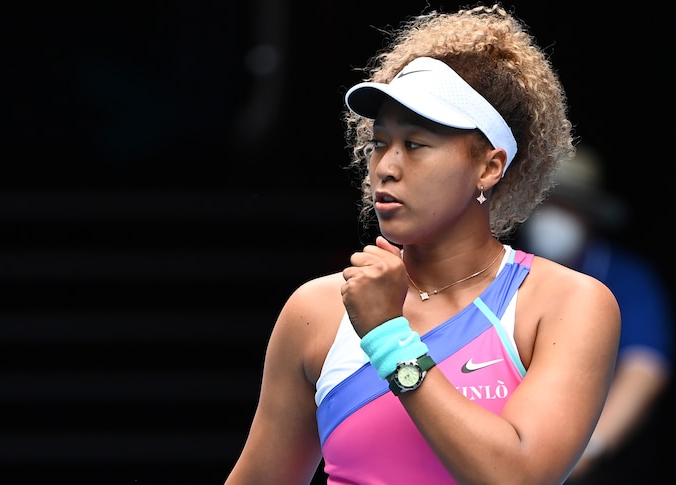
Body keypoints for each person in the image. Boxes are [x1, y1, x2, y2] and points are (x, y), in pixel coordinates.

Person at [225, 4, 620, 484]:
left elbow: (520, 478)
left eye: (415, 145)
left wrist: (389, 337)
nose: (386, 167)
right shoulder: (316, 310)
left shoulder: (567, 304)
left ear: (489, 167)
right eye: (379, 143)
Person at [517, 146, 675, 483]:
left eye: (567, 205)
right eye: (545, 203)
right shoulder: (506, 271)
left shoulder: (628, 278)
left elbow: (645, 368)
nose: (553, 216)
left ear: (589, 215)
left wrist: (587, 451)